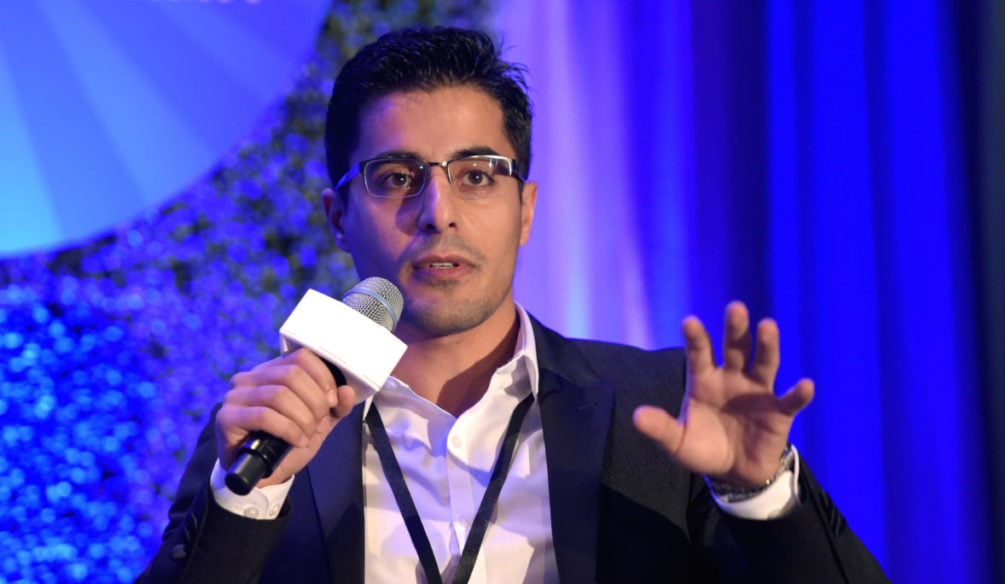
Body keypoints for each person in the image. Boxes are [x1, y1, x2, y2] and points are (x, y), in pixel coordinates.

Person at [139, 27, 888, 583]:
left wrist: (760, 495)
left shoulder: (659, 410)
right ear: (339, 217)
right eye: (397, 176)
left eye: (478, 174)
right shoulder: (273, 423)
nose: (438, 211)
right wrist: (247, 503)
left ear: (526, 209)